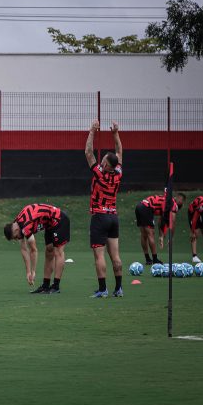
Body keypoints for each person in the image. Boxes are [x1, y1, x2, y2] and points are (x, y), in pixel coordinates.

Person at [85, 120, 123, 298]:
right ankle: (119, 289)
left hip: (100, 217)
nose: (101, 160)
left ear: (107, 165)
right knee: (115, 256)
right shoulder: (118, 174)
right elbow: (119, 151)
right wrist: (115, 133)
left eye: (104, 160)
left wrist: (92, 130)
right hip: (113, 217)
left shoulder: (100, 173)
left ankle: (102, 290)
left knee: (99, 255)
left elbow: (88, 152)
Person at [3, 203, 70, 294]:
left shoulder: (25, 226)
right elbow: (24, 249)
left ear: (15, 230)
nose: (16, 238)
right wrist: (28, 272)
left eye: (15, 237)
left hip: (59, 220)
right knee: (49, 250)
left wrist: (33, 271)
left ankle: (56, 286)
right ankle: (45, 286)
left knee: (58, 251)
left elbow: (33, 250)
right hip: (49, 224)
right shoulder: (17, 224)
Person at [135, 192, 186, 265]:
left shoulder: (167, 201)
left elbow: (160, 220)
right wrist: (171, 238)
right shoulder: (172, 204)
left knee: (144, 234)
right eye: (183, 202)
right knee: (150, 234)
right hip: (147, 208)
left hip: (139, 206)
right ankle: (155, 259)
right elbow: (173, 222)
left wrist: (161, 236)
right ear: (180, 200)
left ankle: (148, 259)